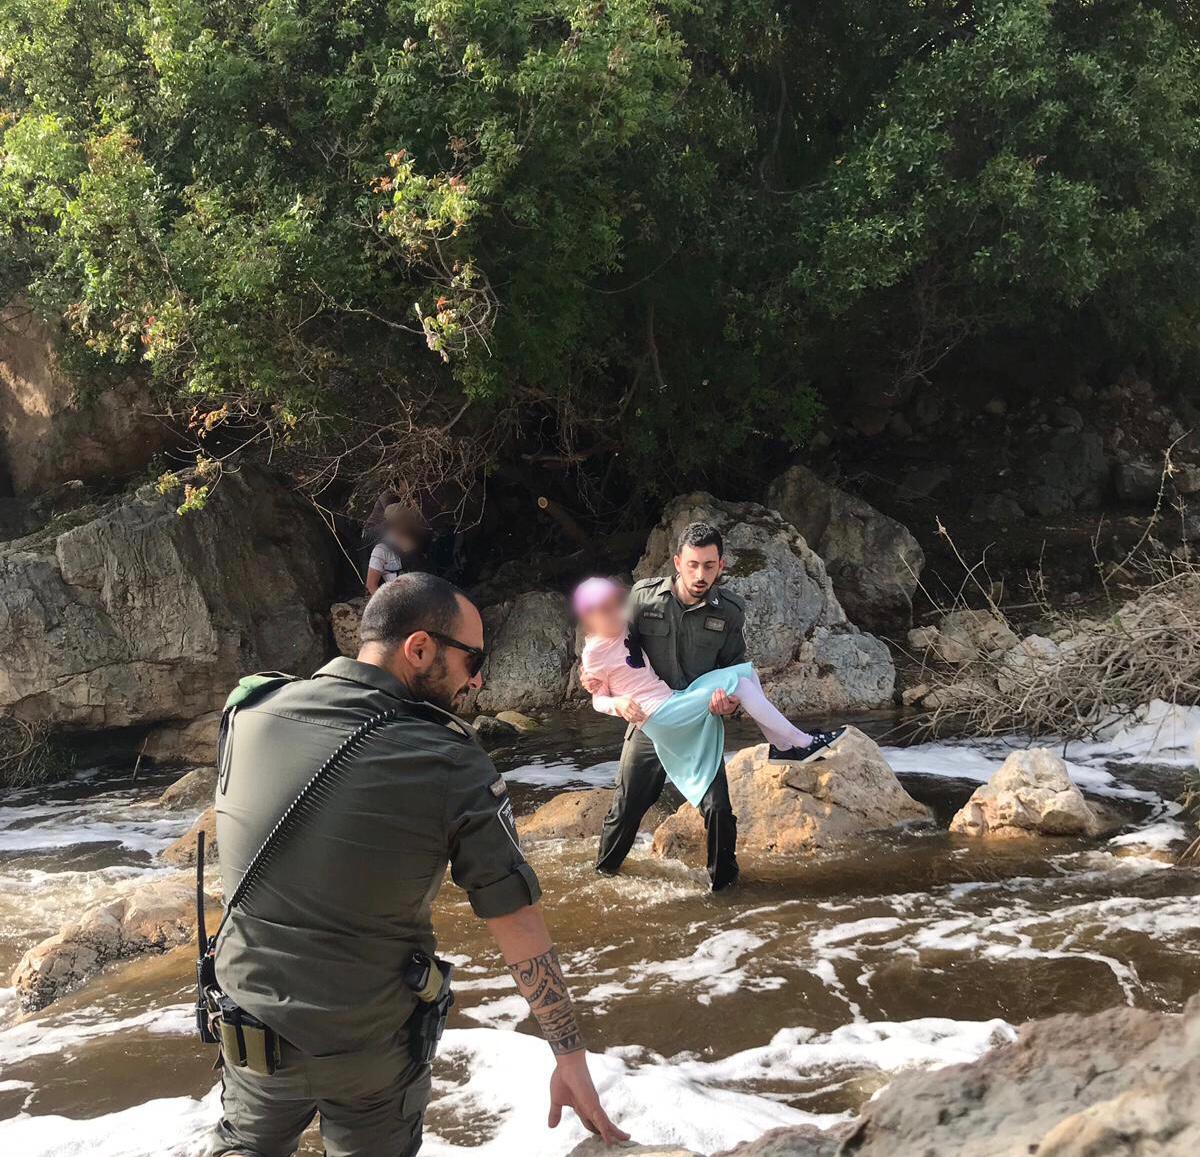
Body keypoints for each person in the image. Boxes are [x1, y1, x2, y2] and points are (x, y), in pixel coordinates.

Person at [209, 573, 627, 1156]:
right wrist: (570, 1056)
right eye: (472, 658)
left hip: (251, 1037)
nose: (478, 677)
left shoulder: (249, 711)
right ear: (420, 649)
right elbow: (515, 918)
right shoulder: (448, 757)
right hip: (371, 1055)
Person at [574, 576, 843, 809]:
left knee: (746, 673)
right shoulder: (594, 653)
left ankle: (784, 747)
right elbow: (598, 698)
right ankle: (804, 743)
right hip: (655, 714)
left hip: (671, 700)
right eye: (604, 611)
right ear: (588, 617)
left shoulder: (625, 623)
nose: (614, 614)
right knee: (738, 685)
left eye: (616, 606)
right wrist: (616, 703)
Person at [587, 522, 750, 890]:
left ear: (721, 566)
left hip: (698, 727)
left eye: (709, 566)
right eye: (692, 564)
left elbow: (736, 675)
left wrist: (730, 706)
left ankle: (726, 891)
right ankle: (600, 881)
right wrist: (594, 679)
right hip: (649, 723)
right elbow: (609, 642)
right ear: (677, 561)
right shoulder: (643, 599)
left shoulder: (730, 613)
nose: (700, 574)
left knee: (719, 811)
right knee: (625, 811)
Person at [365, 503, 428, 594]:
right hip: (393, 598)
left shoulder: (414, 542)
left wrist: (411, 552)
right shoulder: (381, 550)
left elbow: (423, 573)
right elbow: (371, 585)